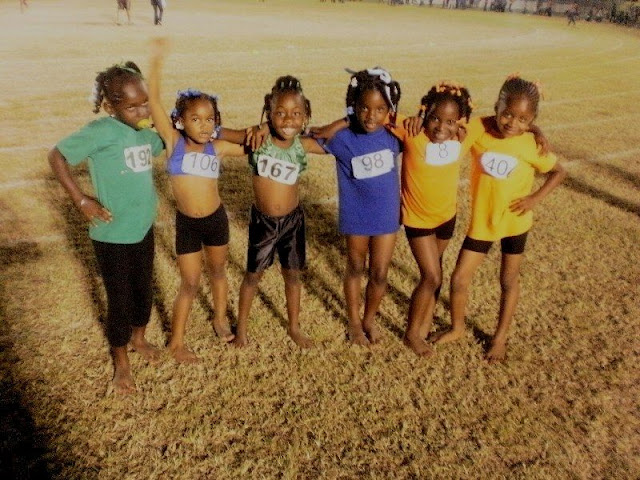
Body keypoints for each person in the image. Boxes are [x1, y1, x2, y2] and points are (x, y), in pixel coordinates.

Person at [48, 62, 164, 394]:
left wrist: (163, 123)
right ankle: (122, 364)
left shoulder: (144, 131)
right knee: (120, 299)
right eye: (132, 105)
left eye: (145, 101)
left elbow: (165, 145)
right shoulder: (101, 131)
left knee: (144, 291)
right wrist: (81, 200)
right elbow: (57, 156)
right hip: (113, 234)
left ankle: (139, 339)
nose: (141, 109)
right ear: (111, 105)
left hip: (142, 227)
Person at [434, 75, 566, 363]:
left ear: (531, 120)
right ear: (497, 106)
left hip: (515, 223)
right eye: (507, 114)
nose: (512, 123)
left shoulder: (531, 143)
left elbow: (559, 172)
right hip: (482, 223)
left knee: (508, 280)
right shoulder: (480, 129)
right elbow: (449, 125)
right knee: (459, 280)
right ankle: (457, 328)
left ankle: (500, 337)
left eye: (522, 119)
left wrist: (534, 199)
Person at [148, 38, 247, 363]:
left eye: (210, 119)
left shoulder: (216, 147)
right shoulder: (173, 142)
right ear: (180, 121)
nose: (204, 125)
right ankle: (176, 342)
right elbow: (153, 101)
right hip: (187, 225)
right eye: (196, 119)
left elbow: (252, 144)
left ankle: (219, 317)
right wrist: (157, 61)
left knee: (218, 273)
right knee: (189, 283)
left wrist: (254, 133)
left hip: (216, 220)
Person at [232, 76, 326, 348]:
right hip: (263, 223)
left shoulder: (302, 145)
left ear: (306, 115)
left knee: (292, 274)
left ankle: (294, 327)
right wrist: (259, 126)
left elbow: (338, 138)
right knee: (253, 275)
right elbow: (225, 135)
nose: (288, 120)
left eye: (296, 114)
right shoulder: (259, 141)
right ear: (269, 114)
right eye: (280, 113)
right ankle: (241, 330)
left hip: (293, 221)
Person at [388, 82, 473, 356]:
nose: (441, 127)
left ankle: (424, 323)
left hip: (446, 218)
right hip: (418, 220)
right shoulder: (412, 132)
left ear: (460, 122)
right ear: (425, 112)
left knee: (435, 272)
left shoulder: (464, 137)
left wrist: (536, 130)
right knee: (431, 275)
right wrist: (412, 118)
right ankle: (412, 334)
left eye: (450, 121)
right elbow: (377, 114)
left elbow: (502, 120)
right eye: (435, 118)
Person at [319, 68, 402, 346]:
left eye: (380, 109)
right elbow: (304, 139)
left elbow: (427, 127)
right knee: (355, 267)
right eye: (364, 108)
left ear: (389, 109)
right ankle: (354, 323)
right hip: (356, 216)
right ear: (354, 106)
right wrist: (341, 123)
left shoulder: (395, 136)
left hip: (387, 216)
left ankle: (369, 319)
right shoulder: (342, 139)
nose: (371, 115)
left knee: (379, 273)